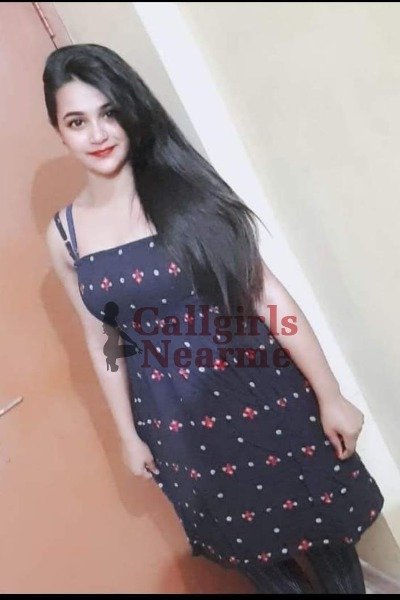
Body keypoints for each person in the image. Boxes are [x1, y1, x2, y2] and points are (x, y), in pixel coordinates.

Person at [43, 43, 384, 594]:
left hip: (264, 391)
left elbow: (266, 295)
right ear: (59, 131)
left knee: (324, 529)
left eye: (109, 113)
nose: (98, 133)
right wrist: (128, 436)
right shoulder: (65, 236)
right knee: (247, 547)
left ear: (131, 112)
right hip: (174, 422)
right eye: (77, 121)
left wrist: (330, 394)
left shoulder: (188, 193)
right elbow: (99, 338)